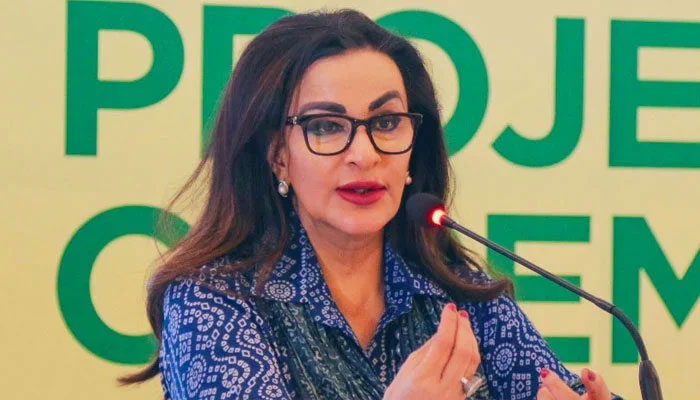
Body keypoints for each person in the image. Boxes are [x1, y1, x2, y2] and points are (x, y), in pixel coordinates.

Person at [119, 9, 623, 400]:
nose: (364, 154)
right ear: (277, 155)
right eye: (326, 126)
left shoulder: (458, 293)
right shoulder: (214, 300)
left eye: (385, 123)